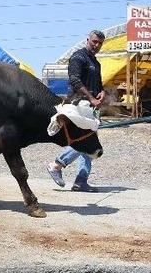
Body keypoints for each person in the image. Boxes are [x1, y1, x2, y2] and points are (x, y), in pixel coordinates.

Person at [46, 30, 106, 192]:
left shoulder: (96, 62)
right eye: (94, 42)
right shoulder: (78, 57)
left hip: (90, 107)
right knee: (85, 141)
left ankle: (80, 180)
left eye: (100, 43)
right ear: (87, 40)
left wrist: (102, 92)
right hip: (78, 104)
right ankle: (57, 165)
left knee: (88, 141)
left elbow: (99, 83)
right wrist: (91, 98)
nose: (97, 45)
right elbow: (74, 80)